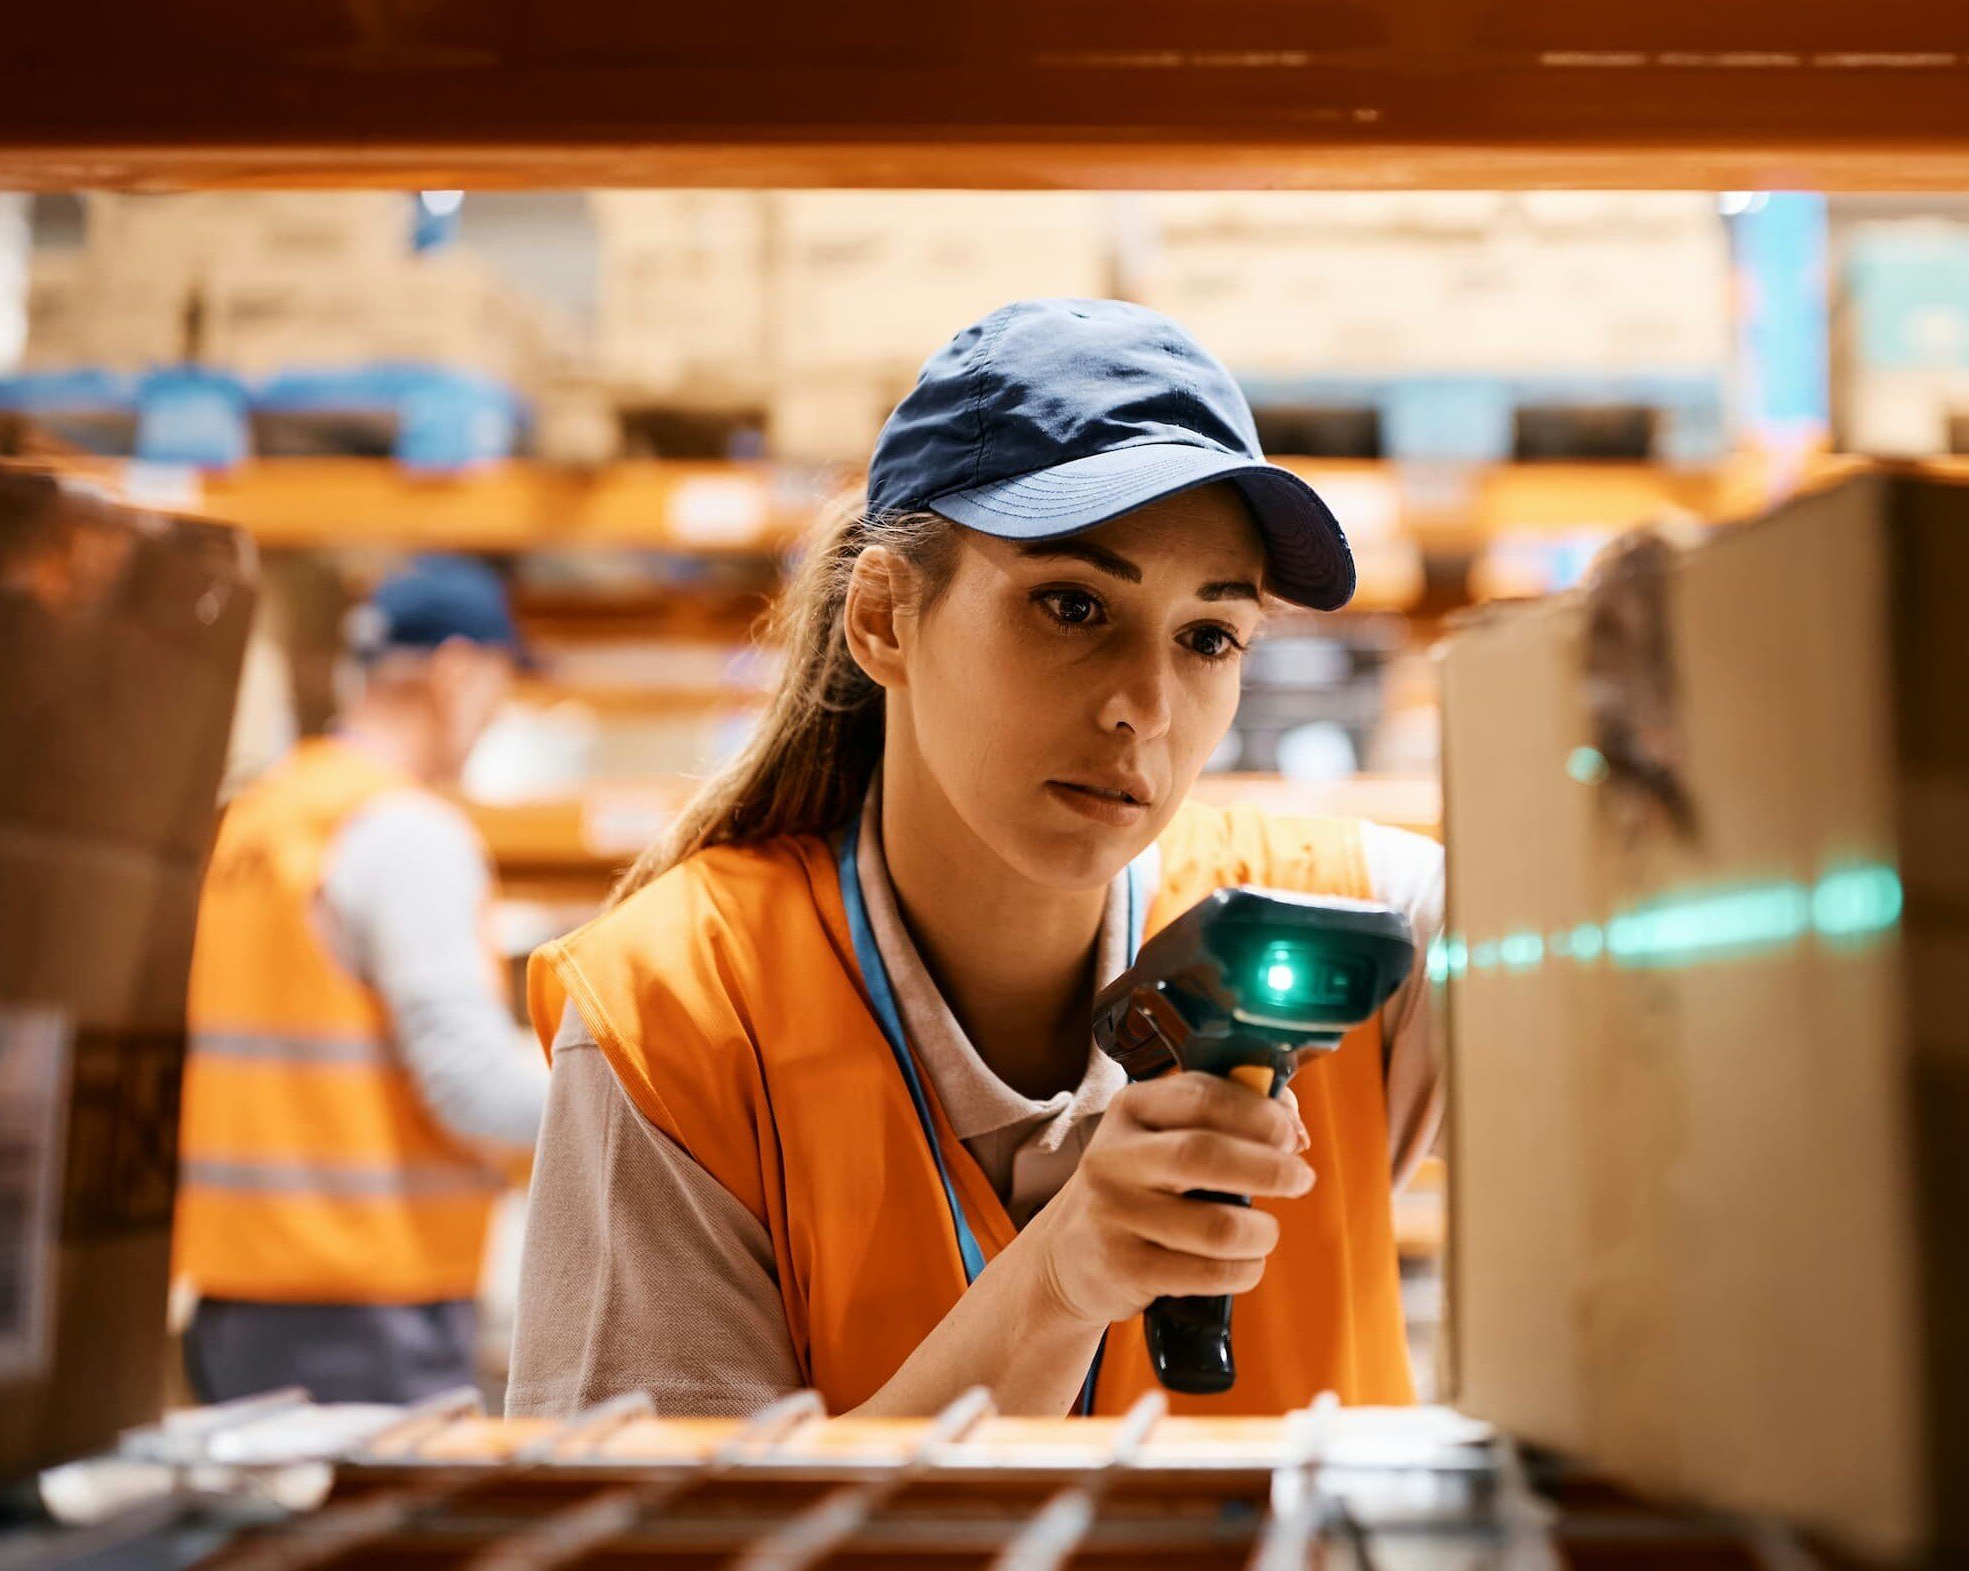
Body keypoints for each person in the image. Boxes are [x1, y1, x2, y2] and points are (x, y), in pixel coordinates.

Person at [507, 299, 1444, 1420]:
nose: (1146, 707)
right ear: (885, 619)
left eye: (1209, 636)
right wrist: (1056, 1283)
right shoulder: (678, 1015)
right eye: (1071, 604)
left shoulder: (1367, 928)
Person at [176, 555, 548, 1404]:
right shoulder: (404, 830)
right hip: (364, 1310)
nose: (496, 716)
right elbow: (470, 1085)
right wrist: (659, 1115)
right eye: (500, 683)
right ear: (458, 671)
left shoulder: (261, 819)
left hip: (238, 1302)